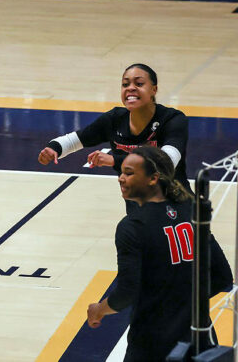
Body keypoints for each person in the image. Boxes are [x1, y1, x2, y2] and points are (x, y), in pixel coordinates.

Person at [86, 146, 232, 361]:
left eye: (128, 173)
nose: (120, 178)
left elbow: (127, 290)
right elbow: (223, 277)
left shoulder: (132, 226)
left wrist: (99, 309)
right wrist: (184, 300)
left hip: (152, 344)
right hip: (200, 341)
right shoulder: (191, 209)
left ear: (153, 178)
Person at [38, 64, 190, 213]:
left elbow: (167, 162)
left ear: (153, 90)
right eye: (125, 84)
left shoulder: (173, 120)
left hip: (179, 211)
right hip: (140, 216)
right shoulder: (114, 119)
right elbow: (74, 140)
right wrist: (54, 148)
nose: (130, 88)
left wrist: (115, 160)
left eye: (139, 83)